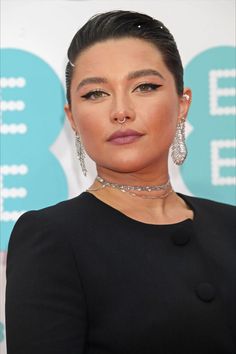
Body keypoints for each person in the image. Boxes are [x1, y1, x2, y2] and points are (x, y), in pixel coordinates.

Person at [5, 10, 236, 354]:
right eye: (96, 94)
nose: (121, 111)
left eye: (145, 86)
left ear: (183, 103)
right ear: (72, 117)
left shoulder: (230, 225)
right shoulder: (50, 238)